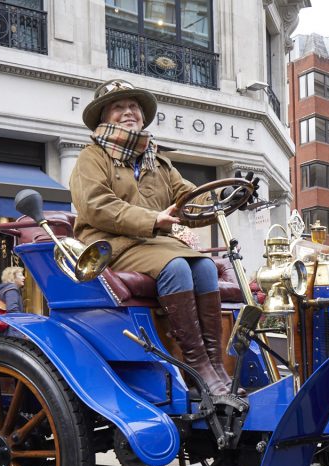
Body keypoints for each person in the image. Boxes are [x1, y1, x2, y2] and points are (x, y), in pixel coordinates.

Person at [69, 79, 258, 396]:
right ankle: (196, 368)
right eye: (119, 107)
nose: (129, 112)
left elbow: (190, 200)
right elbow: (96, 205)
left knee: (206, 267)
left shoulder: (158, 162)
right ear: (104, 116)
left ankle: (214, 366)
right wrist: (152, 219)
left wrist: (229, 197)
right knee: (177, 267)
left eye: (134, 106)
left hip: (155, 245)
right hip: (110, 246)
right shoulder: (92, 157)